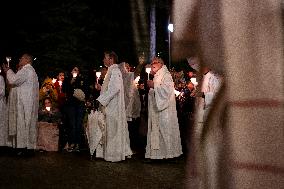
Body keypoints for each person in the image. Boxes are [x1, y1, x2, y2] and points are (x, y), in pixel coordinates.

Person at [96, 51, 132, 162]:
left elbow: (115, 88)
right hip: (111, 105)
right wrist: (101, 88)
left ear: (111, 59)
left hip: (113, 106)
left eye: (105, 58)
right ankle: (110, 153)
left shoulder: (115, 71)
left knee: (113, 130)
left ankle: (114, 154)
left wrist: (102, 100)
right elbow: (110, 88)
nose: (103, 60)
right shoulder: (111, 71)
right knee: (110, 130)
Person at [145, 57, 183, 160]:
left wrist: (154, 85)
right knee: (157, 131)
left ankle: (168, 155)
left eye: (155, 62)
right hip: (157, 109)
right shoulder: (157, 75)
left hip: (164, 110)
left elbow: (166, 90)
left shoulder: (166, 75)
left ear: (161, 64)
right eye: (152, 62)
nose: (153, 64)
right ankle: (157, 155)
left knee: (165, 131)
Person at [2, 53, 39, 155]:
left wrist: (8, 71)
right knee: (27, 125)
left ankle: (23, 149)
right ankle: (27, 148)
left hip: (24, 103)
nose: (19, 59)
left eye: (21, 58)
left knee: (23, 124)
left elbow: (14, 80)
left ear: (27, 60)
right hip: (28, 103)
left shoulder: (26, 70)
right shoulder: (32, 71)